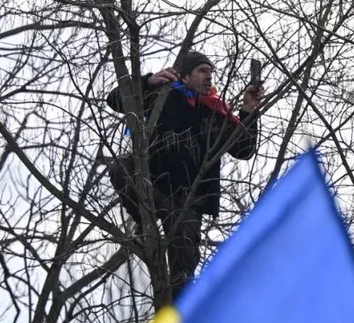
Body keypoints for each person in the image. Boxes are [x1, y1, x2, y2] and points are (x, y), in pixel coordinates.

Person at [106, 51, 263, 299]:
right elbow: (114, 100)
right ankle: (143, 220)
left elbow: (243, 148)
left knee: (183, 276)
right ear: (185, 75)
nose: (208, 77)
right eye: (202, 71)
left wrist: (248, 110)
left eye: (211, 72)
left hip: (189, 202)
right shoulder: (162, 96)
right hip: (155, 186)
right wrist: (147, 82)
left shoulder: (214, 112)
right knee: (120, 168)